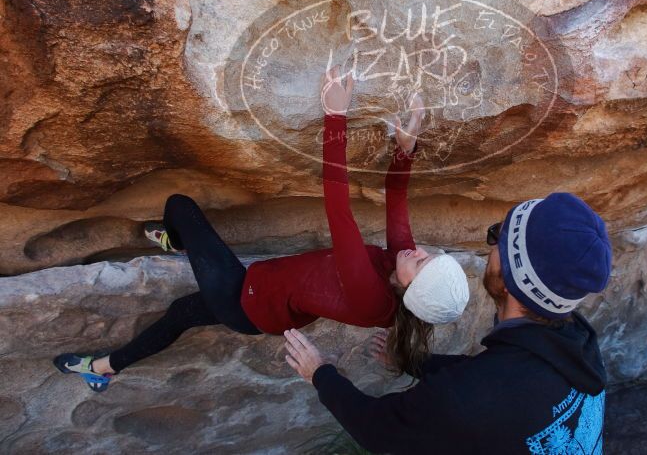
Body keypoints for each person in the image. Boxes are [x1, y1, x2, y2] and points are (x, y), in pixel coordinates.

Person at [53, 65, 469, 392]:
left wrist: (335, 115)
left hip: (245, 299)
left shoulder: (371, 297)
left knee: (180, 207)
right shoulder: (404, 268)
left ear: (407, 289)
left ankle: (176, 239)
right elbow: (396, 202)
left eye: (423, 264)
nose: (419, 252)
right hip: (267, 299)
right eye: (431, 255)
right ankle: (105, 369)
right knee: (179, 315)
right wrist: (405, 150)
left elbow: (338, 211)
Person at [285, 192, 612, 455]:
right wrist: (415, 363)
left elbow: (378, 429)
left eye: (498, 236)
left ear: (512, 282)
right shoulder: (578, 344)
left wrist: (320, 373)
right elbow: (487, 376)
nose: (490, 244)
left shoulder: (469, 400)